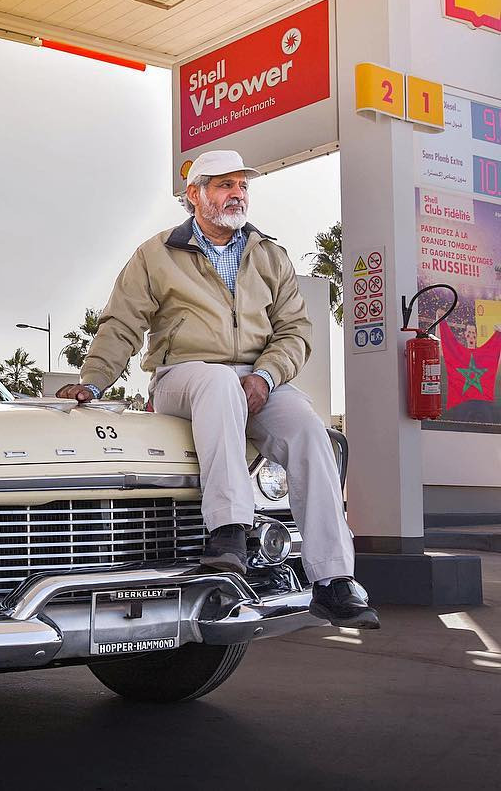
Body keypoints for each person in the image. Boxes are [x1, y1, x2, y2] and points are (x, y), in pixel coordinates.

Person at [57, 149, 378, 629]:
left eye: (242, 185)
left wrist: (266, 376)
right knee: (217, 381)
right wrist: (94, 381)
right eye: (225, 184)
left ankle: (333, 580)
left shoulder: (269, 256)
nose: (237, 194)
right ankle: (229, 531)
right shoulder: (157, 254)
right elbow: (122, 321)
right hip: (182, 376)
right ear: (195, 194)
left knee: (310, 430)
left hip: (257, 378)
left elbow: (295, 332)